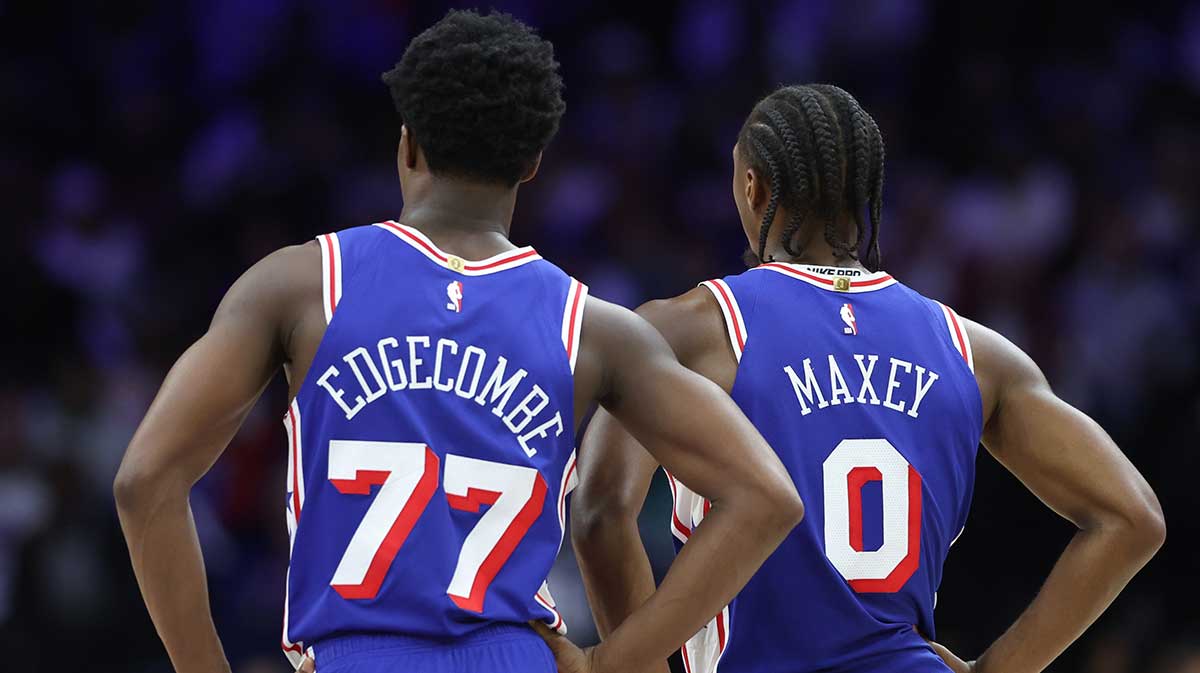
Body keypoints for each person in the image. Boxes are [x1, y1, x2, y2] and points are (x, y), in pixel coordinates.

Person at [112, 11, 804, 673]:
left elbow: (145, 482)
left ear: (407, 142)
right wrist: (611, 659)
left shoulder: (300, 285)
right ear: (534, 161)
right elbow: (765, 494)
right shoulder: (592, 327)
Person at [570, 84, 1166, 673]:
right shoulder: (973, 351)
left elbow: (601, 511)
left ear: (752, 188)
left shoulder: (692, 332)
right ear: (865, 192)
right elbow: (1132, 518)